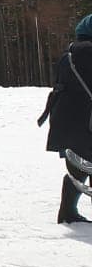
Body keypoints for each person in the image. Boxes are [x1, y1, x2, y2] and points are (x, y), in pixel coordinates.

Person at [40, 13, 92, 223]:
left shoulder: (69, 53)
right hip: (85, 119)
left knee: (79, 166)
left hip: (67, 119)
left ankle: (68, 211)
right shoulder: (87, 52)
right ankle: (68, 213)